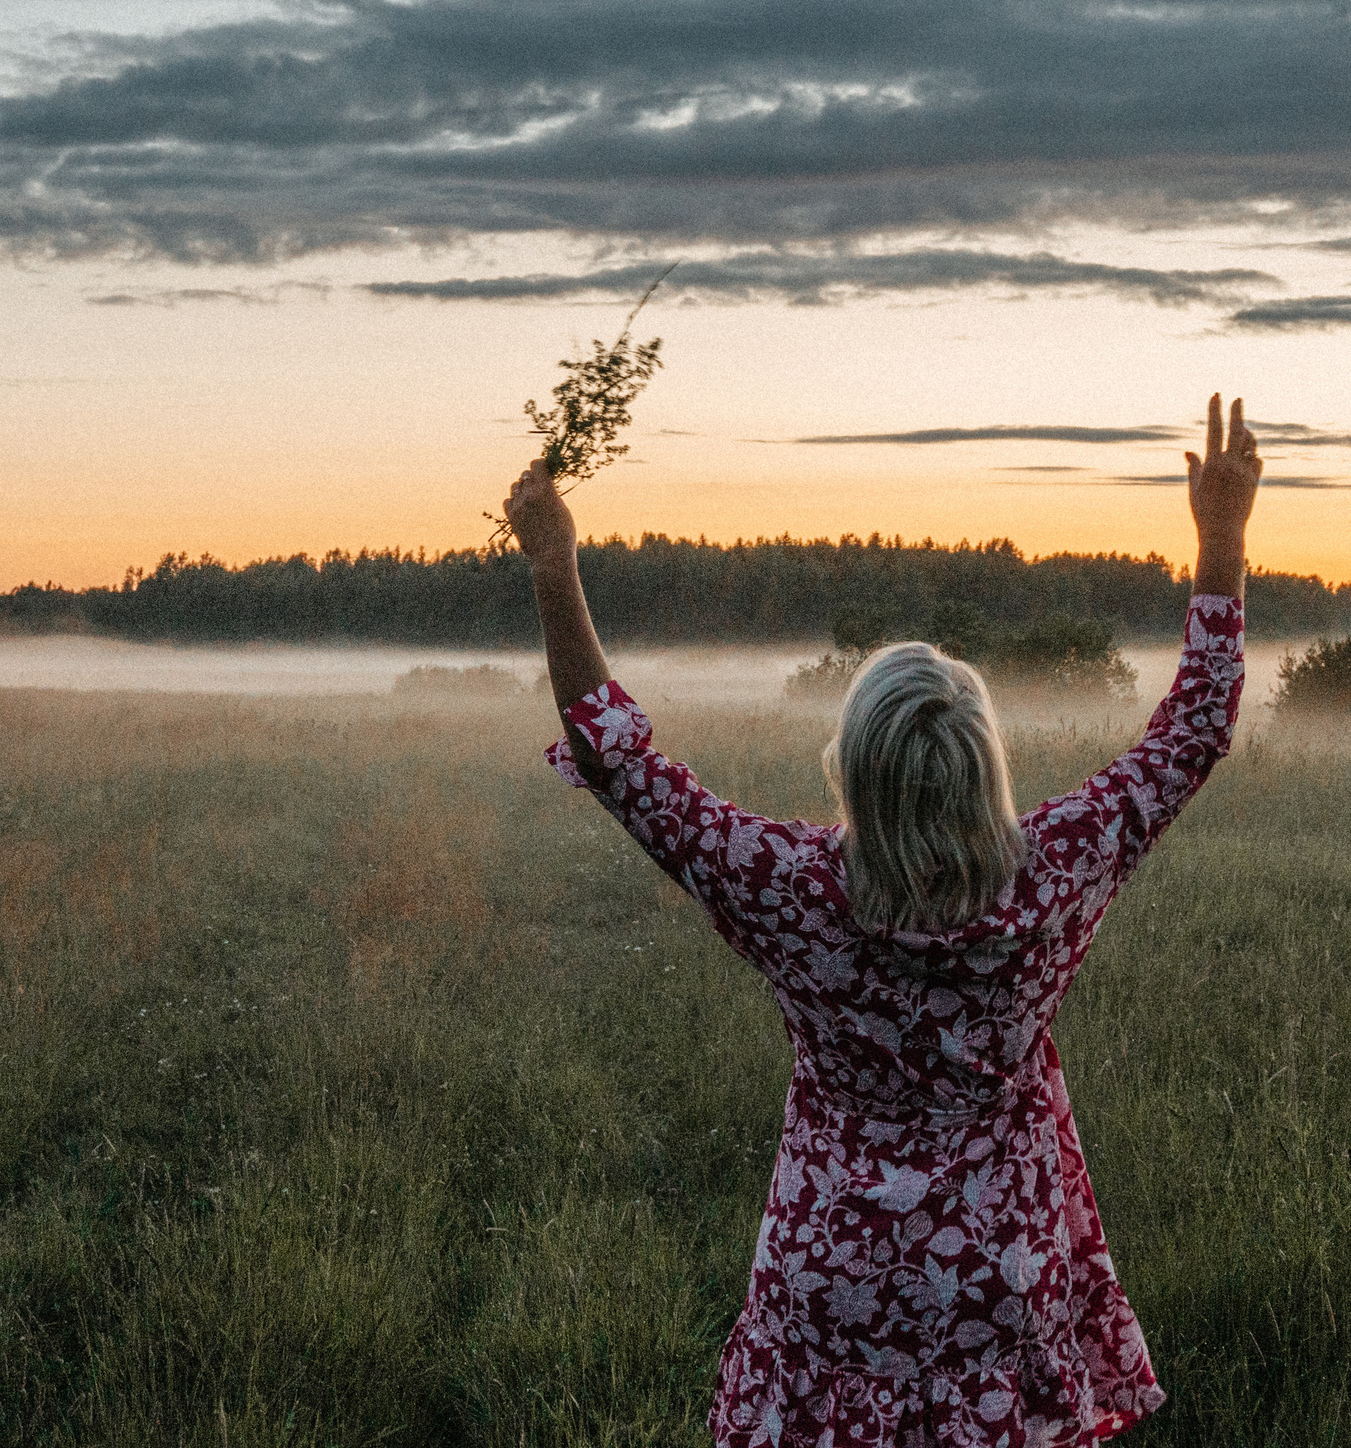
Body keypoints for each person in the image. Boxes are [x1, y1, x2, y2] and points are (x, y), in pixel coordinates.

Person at [501, 395, 1262, 1448]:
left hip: (829, 1290)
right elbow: (1197, 727)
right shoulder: (1050, 873)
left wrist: (554, 565)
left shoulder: (789, 886)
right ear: (984, 765)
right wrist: (1221, 535)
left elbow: (615, 759)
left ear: (853, 767)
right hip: (1002, 1281)